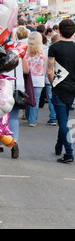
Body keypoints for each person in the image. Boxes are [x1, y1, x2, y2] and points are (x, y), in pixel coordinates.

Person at [47, 19, 75, 164]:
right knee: (63, 117)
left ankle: (69, 152)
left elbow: (49, 70)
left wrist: (53, 84)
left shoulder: (54, 47)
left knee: (62, 121)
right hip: (72, 88)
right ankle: (59, 146)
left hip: (59, 87)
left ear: (59, 31)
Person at [25, 31, 47, 127]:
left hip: (28, 79)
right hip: (39, 79)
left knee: (27, 97)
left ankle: (28, 115)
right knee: (36, 99)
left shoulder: (26, 53)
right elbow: (44, 68)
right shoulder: (43, 53)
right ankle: (32, 120)